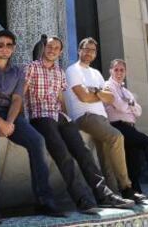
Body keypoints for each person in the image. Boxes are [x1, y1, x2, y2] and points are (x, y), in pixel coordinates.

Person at [24, 36, 134, 212]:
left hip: (59, 116)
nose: (52, 50)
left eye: (56, 48)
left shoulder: (59, 72)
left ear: (60, 52)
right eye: (49, 46)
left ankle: (104, 195)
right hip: (41, 116)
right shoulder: (31, 67)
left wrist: (66, 118)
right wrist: (21, 119)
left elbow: (61, 99)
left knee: (83, 152)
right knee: (63, 153)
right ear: (44, 48)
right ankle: (83, 200)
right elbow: (21, 92)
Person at [0, 30, 62, 223]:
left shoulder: (18, 71)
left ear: (14, 48)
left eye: (9, 45)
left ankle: (44, 199)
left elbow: (18, 99)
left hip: (10, 115)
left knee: (37, 141)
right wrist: (1, 123)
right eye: (1, 44)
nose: (5, 48)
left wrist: (10, 122)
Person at [65, 37, 146, 203]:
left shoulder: (96, 73)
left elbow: (109, 99)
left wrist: (94, 92)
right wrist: (99, 94)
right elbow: (83, 97)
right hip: (84, 116)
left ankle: (114, 195)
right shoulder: (73, 70)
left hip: (101, 118)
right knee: (117, 137)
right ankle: (127, 187)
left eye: (92, 51)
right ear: (79, 50)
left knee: (106, 157)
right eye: (86, 49)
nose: (89, 53)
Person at [105, 59, 148, 193]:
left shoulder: (126, 91)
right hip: (118, 126)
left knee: (133, 160)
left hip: (130, 127)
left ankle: (135, 192)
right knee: (146, 142)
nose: (119, 72)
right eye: (116, 69)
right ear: (110, 71)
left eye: (122, 70)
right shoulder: (108, 86)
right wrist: (130, 105)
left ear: (125, 72)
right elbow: (121, 106)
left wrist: (129, 104)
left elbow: (139, 111)